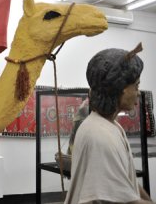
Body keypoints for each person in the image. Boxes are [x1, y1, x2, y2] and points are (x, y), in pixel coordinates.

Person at [64, 43, 154, 204]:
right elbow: (123, 200)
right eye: (136, 86)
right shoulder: (99, 136)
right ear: (120, 88)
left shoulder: (111, 126)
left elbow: (126, 181)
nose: (138, 93)